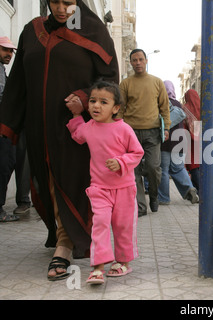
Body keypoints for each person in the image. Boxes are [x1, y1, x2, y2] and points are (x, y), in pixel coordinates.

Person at [0, 0, 119, 281]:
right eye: (55, 1)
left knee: (67, 181)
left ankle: (65, 245)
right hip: (38, 126)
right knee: (46, 180)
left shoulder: (94, 30)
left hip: (74, 129)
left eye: (68, 2)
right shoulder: (32, 31)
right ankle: (62, 233)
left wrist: (84, 97)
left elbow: (109, 79)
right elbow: (18, 81)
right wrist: (7, 125)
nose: (62, 8)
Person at [66, 80, 143, 285]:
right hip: (99, 188)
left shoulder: (124, 129)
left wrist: (121, 162)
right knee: (99, 223)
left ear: (116, 108)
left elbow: (137, 153)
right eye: (92, 101)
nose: (96, 106)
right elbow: (77, 134)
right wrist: (75, 114)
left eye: (103, 102)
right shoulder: (89, 127)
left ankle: (123, 262)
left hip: (125, 188)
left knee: (123, 226)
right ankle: (98, 267)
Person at [119, 49, 171, 214]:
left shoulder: (157, 82)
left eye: (141, 59)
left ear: (146, 61)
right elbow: (119, 109)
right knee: (133, 172)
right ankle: (141, 207)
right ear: (131, 63)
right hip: (131, 132)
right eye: (134, 60)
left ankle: (154, 196)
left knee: (153, 167)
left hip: (153, 132)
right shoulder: (125, 84)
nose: (138, 63)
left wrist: (167, 128)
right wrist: (118, 129)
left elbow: (164, 108)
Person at [0, 36, 32, 223]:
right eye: (5, 50)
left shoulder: (4, 72)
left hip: (9, 129)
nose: (9, 54)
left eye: (11, 51)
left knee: (8, 165)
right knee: (5, 166)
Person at [158, 81, 199, 205]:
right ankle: (189, 189)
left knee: (163, 169)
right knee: (178, 168)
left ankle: (164, 198)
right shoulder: (179, 105)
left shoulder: (161, 103)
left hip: (166, 141)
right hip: (180, 141)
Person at [182, 89, 201, 191]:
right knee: (199, 166)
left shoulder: (185, 108)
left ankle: (198, 189)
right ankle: (200, 189)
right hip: (201, 141)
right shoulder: (203, 107)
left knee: (193, 166)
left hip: (189, 141)